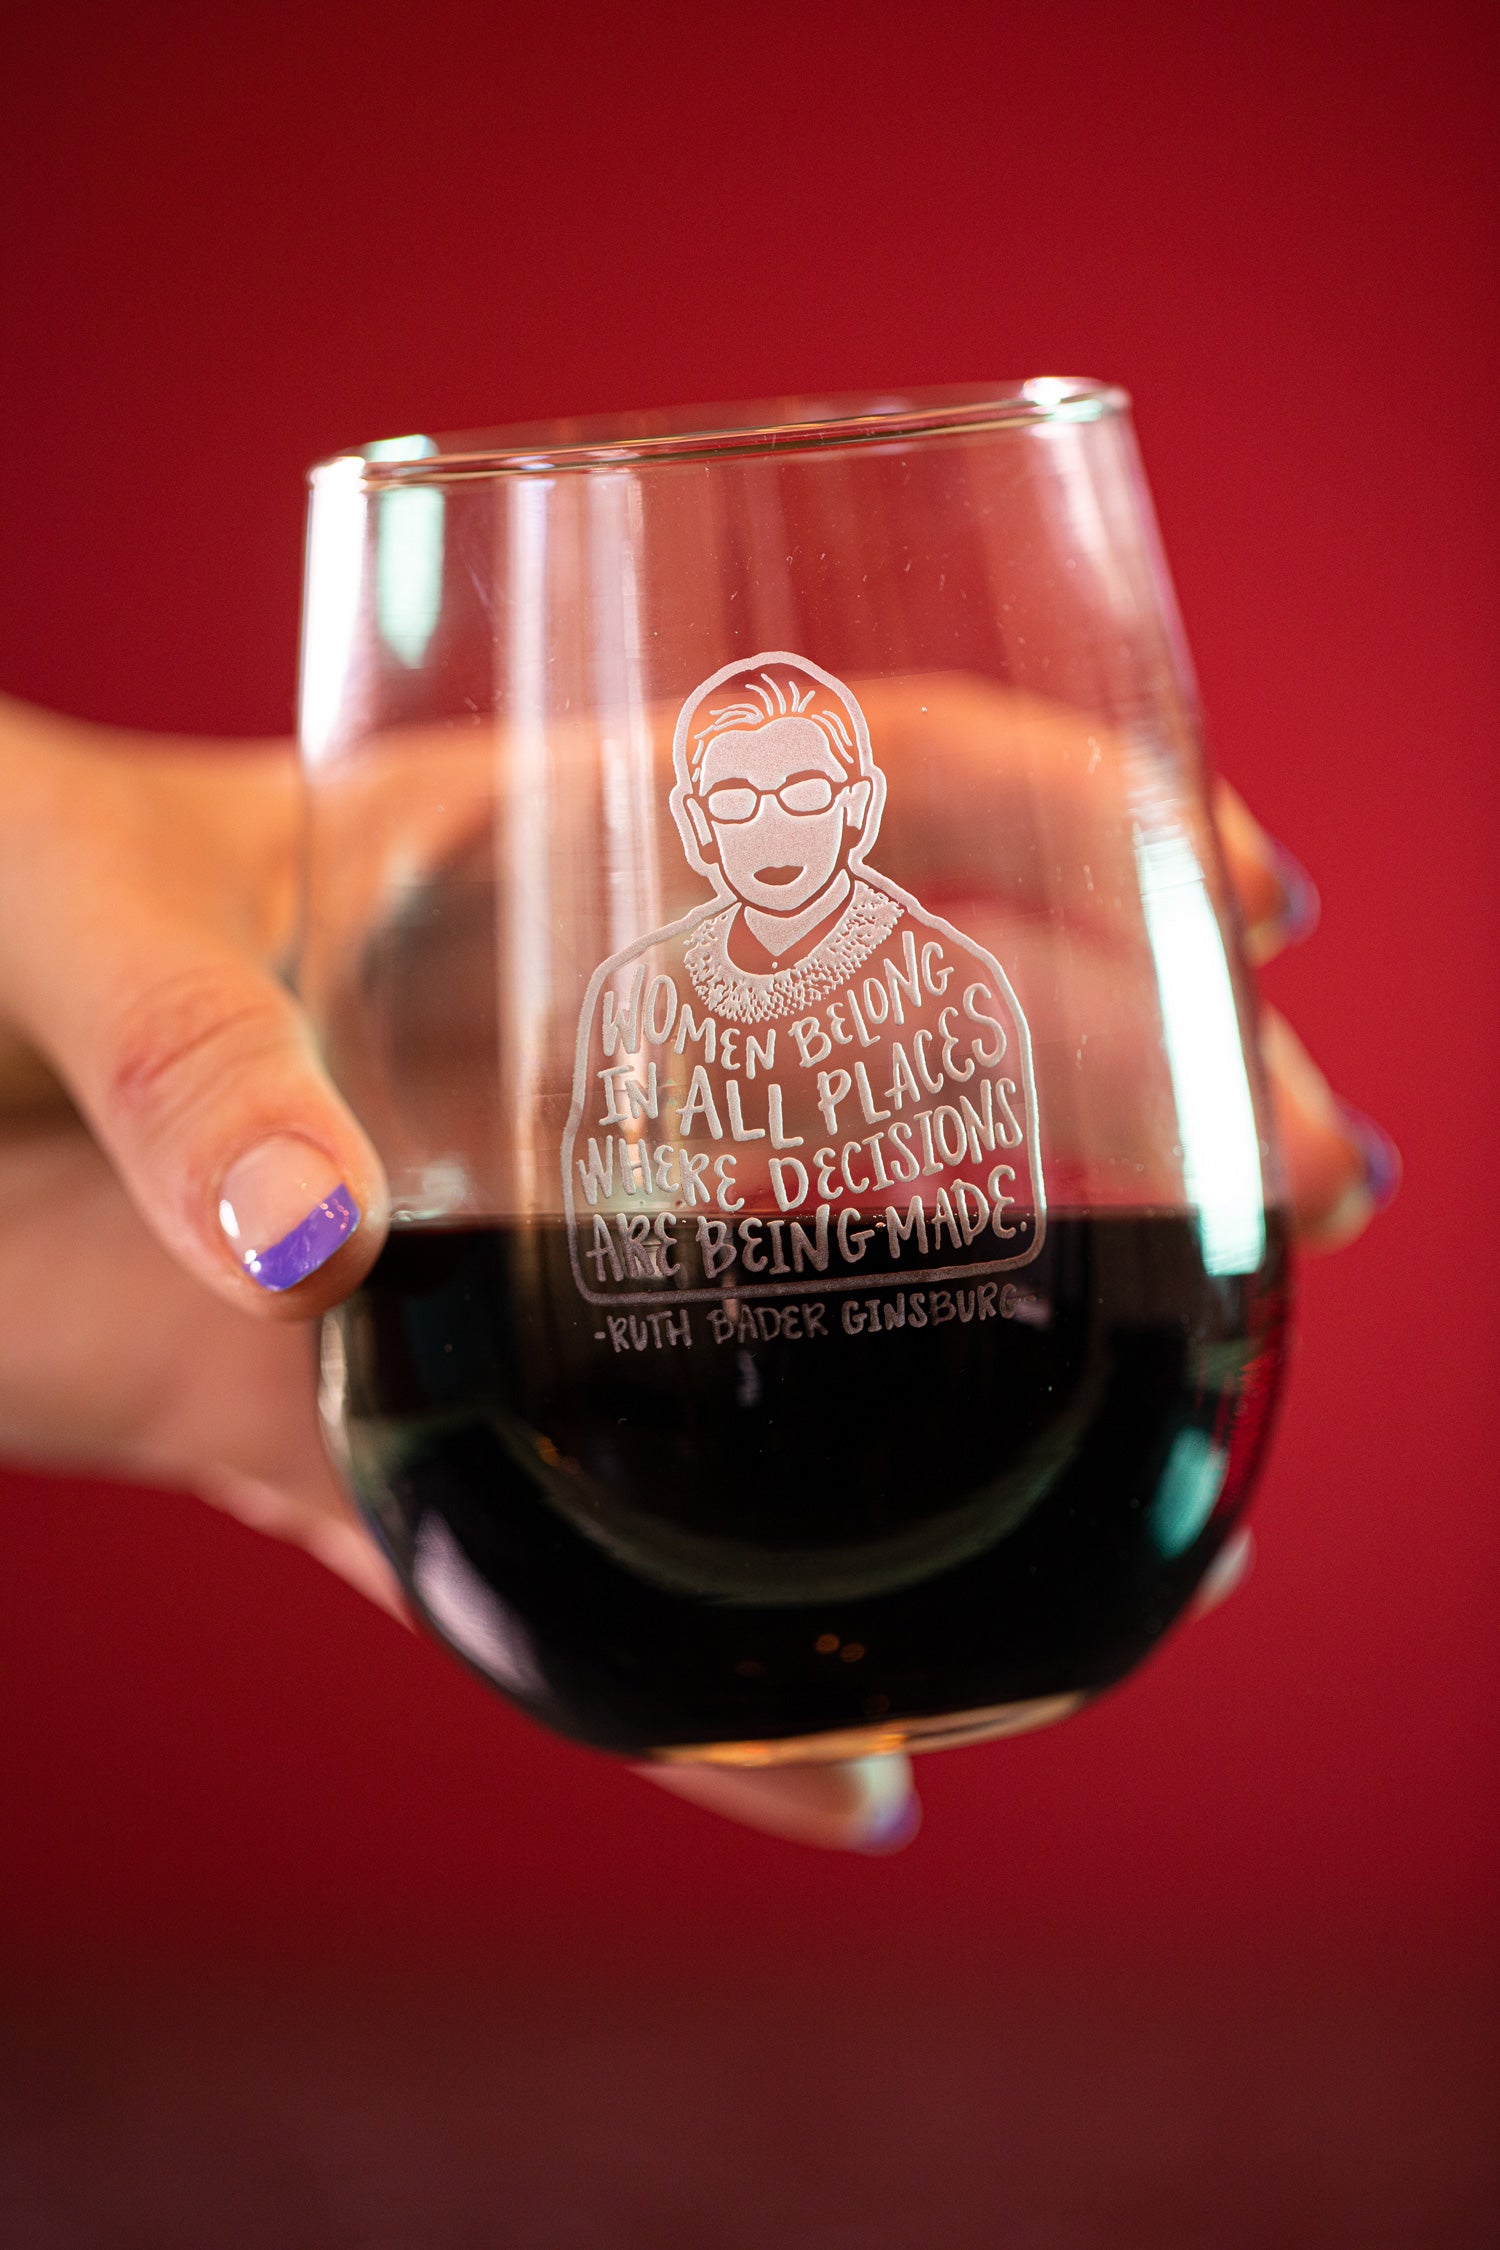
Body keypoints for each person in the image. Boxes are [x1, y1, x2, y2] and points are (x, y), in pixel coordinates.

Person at [0, 689, 1399, 1853]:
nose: (772, 833)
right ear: (695, 827)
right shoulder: (631, 997)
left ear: (853, 810)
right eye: (734, 803)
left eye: (803, 797)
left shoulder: (960, 988)